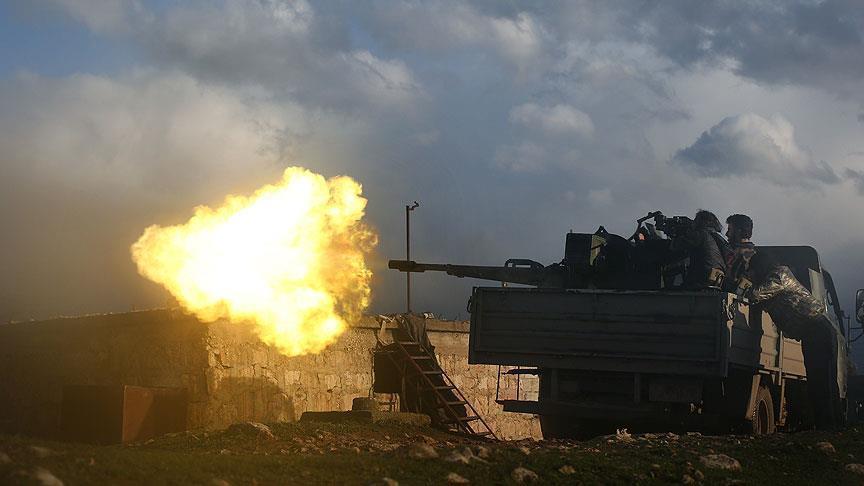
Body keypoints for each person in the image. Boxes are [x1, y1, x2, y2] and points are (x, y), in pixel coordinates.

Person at [725, 213, 841, 429]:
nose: (752, 273)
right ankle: (832, 426)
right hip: (815, 331)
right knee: (822, 379)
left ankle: (828, 427)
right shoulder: (777, 274)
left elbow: (755, 294)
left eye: (753, 270)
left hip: (817, 330)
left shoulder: (779, 276)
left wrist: (742, 285)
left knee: (821, 380)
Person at [668, 209, 731, 289]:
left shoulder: (701, 234)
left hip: (699, 282)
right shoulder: (718, 238)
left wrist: (675, 233)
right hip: (714, 283)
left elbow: (675, 246)